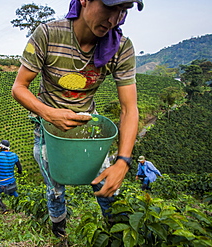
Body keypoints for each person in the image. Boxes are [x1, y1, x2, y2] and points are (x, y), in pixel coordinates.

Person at [12, 0, 143, 238]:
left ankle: (116, 234)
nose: (114, 19)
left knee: (104, 181)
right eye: (110, 7)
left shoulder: (120, 47)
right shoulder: (48, 34)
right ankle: (59, 231)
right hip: (48, 127)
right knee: (55, 187)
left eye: (123, 11)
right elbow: (19, 87)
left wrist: (123, 161)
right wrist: (49, 113)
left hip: (86, 128)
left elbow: (129, 108)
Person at [0, 140, 22, 214]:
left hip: (2, 182)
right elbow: (20, 169)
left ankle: (3, 208)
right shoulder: (14, 155)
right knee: (12, 191)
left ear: (2, 147)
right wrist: (18, 172)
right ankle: (21, 205)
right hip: (12, 181)